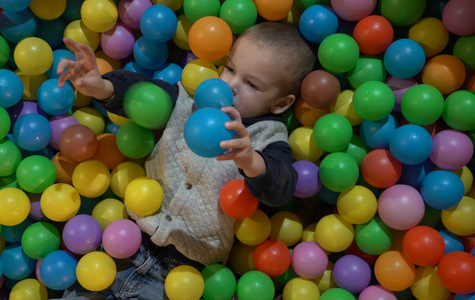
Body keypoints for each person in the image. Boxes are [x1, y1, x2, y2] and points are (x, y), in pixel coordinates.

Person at [56, 21, 315, 299]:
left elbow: (282, 185)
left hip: (180, 275)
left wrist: (250, 160)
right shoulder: (185, 101)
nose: (231, 85)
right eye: (230, 68)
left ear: (281, 104)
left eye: (251, 84)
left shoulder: (267, 138)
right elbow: (141, 95)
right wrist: (102, 86)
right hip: (121, 245)